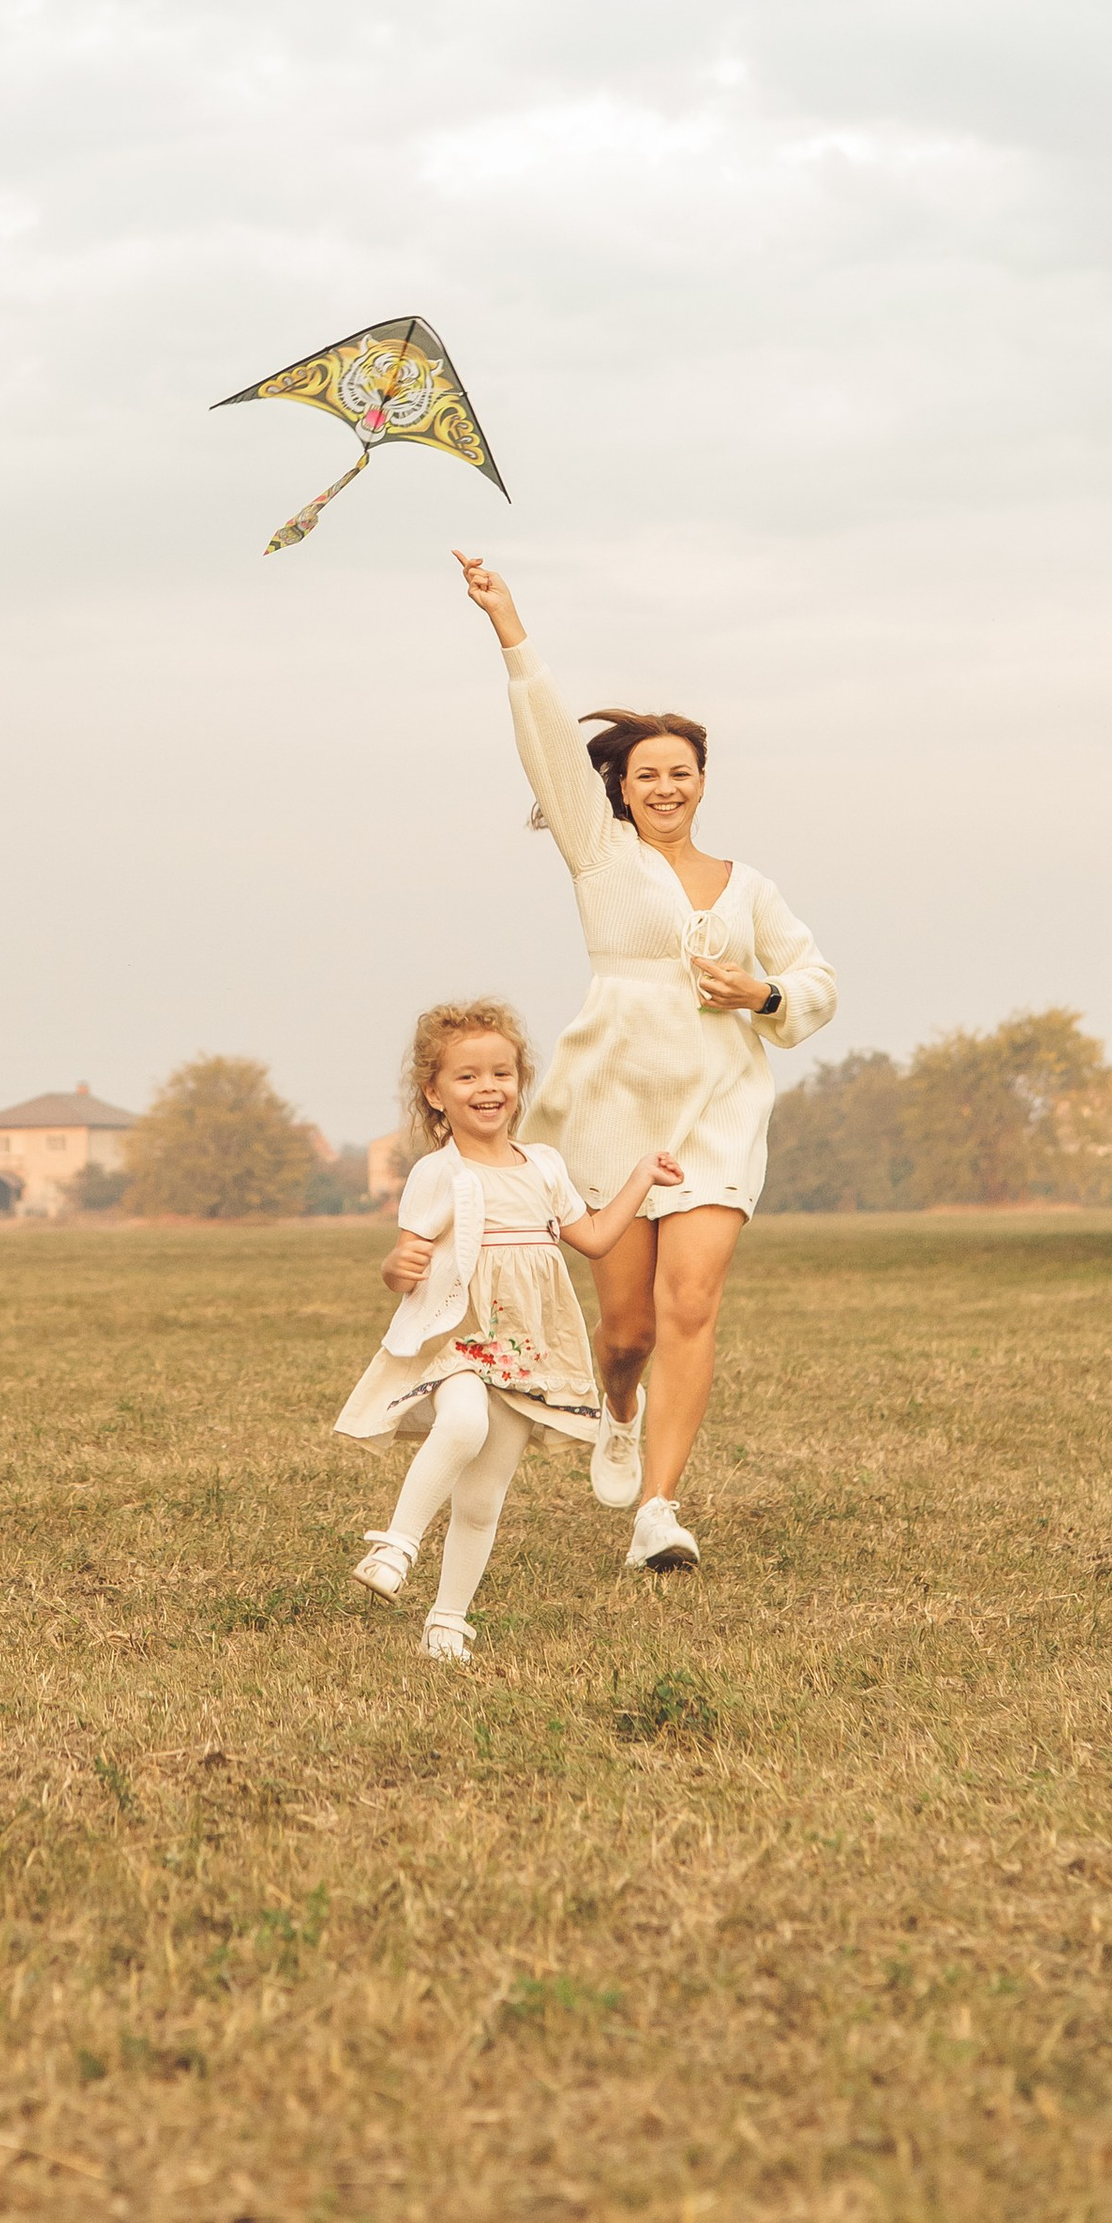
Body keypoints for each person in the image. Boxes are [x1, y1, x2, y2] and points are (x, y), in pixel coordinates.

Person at [381, 555, 837, 1576]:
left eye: (682, 771)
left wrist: (759, 996)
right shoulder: (598, 857)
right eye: (647, 774)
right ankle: (617, 1408)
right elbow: (546, 742)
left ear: (702, 782)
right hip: (612, 1108)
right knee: (625, 1328)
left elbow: (814, 981)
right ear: (621, 789)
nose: (665, 786)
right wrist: (511, 630)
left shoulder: (748, 887)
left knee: (691, 1304)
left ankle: (660, 1513)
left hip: (718, 1107)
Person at [334, 999, 676, 1663]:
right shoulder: (440, 1172)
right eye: (466, 1077)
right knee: (461, 1424)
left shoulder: (545, 1165)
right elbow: (404, 1266)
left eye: (501, 1073)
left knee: (484, 1499)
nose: (487, 1088)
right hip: (459, 1340)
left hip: (526, 1352)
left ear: (520, 1081)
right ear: (434, 1093)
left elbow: (598, 1240)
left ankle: (447, 1623)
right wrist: (394, 1265)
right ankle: (396, 1546)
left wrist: (640, 1178)